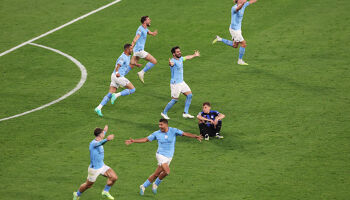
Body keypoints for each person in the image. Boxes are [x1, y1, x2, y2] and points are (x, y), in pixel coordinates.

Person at [125, 119, 202, 195]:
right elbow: (146, 139)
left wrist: (195, 136)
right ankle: (156, 184)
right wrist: (134, 141)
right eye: (159, 125)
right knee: (167, 171)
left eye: (161, 125)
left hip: (169, 156)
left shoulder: (173, 131)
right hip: (160, 155)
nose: (160, 126)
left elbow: (185, 134)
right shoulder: (156, 133)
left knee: (156, 174)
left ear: (166, 124)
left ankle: (143, 186)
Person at [73, 125, 117, 200]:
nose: (104, 134)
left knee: (114, 177)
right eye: (103, 133)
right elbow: (100, 143)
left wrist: (105, 130)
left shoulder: (99, 138)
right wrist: (107, 139)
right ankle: (77, 194)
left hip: (102, 166)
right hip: (94, 169)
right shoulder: (93, 143)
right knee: (88, 185)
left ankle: (105, 191)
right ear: (99, 135)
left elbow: (102, 137)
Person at [94, 44, 138, 117]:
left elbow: (128, 63)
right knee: (133, 89)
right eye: (130, 49)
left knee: (110, 94)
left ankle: (98, 108)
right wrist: (117, 72)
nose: (132, 50)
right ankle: (117, 95)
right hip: (118, 76)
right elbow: (118, 65)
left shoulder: (128, 55)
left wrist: (136, 64)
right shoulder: (122, 57)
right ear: (126, 50)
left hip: (114, 76)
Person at [212, 0, 258, 65]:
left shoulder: (244, 5)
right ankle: (240, 60)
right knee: (243, 44)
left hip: (238, 29)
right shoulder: (234, 8)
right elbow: (238, 9)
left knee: (235, 45)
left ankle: (219, 39)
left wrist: (244, 3)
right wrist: (242, 4)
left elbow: (251, 1)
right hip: (235, 30)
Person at [160, 46, 200, 119]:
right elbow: (171, 64)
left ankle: (185, 113)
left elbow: (187, 57)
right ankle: (164, 112)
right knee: (174, 100)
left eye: (179, 51)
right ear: (173, 54)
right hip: (176, 84)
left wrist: (194, 55)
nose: (179, 52)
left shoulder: (180, 59)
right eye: (177, 52)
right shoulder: (173, 61)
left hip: (182, 82)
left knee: (189, 95)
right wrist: (170, 63)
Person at [131, 15, 158, 83]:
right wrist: (131, 46)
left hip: (136, 50)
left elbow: (149, 32)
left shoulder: (145, 28)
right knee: (154, 61)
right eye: (148, 19)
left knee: (132, 64)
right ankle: (142, 72)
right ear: (144, 21)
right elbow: (136, 38)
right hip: (139, 50)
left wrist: (153, 33)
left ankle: (120, 77)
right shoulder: (140, 29)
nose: (150, 20)